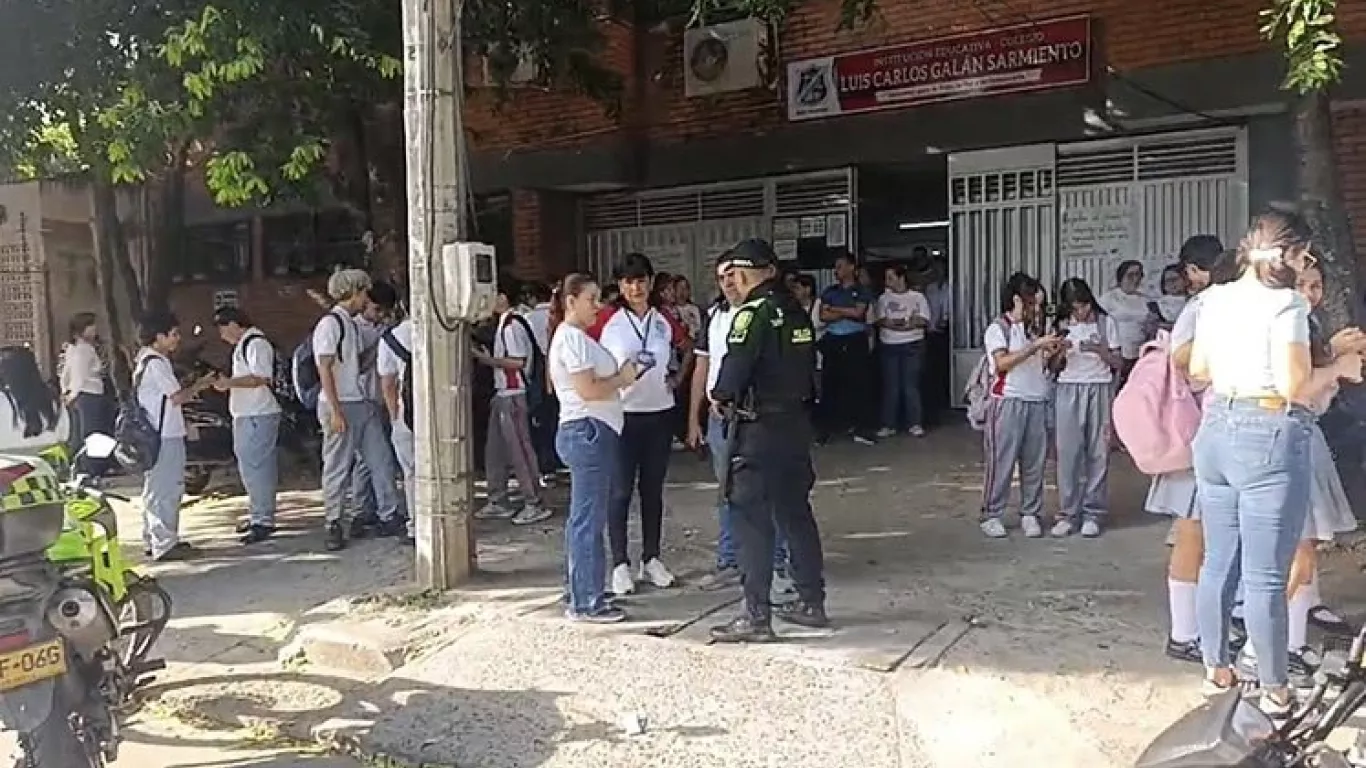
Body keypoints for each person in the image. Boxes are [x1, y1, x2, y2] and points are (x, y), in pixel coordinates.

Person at [1188, 209, 1324, 715]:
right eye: (1305, 257)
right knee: (1267, 574)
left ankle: (1215, 670)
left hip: (1216, 429)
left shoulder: (1214, 298)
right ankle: (1274, 689)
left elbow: (1199, 368)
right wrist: (1336, 367)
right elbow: (1294, 386)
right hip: (1268, 431)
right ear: (1287, 255)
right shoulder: (1286, 303)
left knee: (1217, 560)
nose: (1306, 266)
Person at [707, 238, 828, 643]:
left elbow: (731, 376)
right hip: (796, 426)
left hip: (758, 430)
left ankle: (756, 616)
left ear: (744, 275)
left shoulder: (751, 314)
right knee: (796, 513)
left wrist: (720, 396)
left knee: (751, 519)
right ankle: (812, 602)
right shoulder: (796, 312)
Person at [687, 256, 793, 600]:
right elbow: (702, 367)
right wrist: (694, 418)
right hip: (720, 417)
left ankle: (776, 564)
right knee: (727, 492)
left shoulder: (763, 314)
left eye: (734, 275)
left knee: (766, 492)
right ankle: (730, 560)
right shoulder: (715, 316)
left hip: (754, 417)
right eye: (722, 278)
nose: (729, 283)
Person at [590, 253, 689, 595]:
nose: (636, 288)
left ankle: (651, 558)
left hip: (659, 412)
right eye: (628, 282)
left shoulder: (663, 319)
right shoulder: (608, 319)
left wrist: (677, 378)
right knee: (619, 491)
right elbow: (579, 348)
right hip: (622, 415)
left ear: (650, 282)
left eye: (641, 280)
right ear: (620, 286)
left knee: (652, 490)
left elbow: (689, 345)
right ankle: (620, 563)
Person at [549, 273, 643, 623]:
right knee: (588, 519)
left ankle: (582, 588)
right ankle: (586, 601)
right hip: (588, 429)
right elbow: (588, 389)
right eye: (591, 299)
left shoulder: (576, 338)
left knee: (585, 517)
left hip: (591, 429)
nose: (598, 306)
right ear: (571, 301)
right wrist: (622, 378)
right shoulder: (572, 338)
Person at [314, 269, 405, 551]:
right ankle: (333, 521)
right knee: (338, 466)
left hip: (359, 400)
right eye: (364, 292)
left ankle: (389, 513)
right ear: (354, 292)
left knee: (381, 459)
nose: (367, 297)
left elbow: (356, 364)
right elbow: (325, 367)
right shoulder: (330, 324)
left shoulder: (349, 324)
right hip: (341, 402)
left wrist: (380, 345)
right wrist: (335, 410)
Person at [979, 272, 1062, 539]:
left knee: (1035, 462)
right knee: (1002, 461)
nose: (1037, 310)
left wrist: (1056, 352)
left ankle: (1030, 512)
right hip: (1008, 401)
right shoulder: (998, 328)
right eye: (1032, 303)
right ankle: (992, 513)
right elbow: (1002, 363)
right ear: (1017, 300)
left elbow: (1048, 368)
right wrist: (1034, 346)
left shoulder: (1035, 330)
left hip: (1038, 400)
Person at [134, 312, 217, 561]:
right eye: (173, 334)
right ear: (158, 336)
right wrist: (201, 384)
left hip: (154, 433)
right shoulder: (157, 363)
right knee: (168, 489)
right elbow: (177, 397)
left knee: (155, 489)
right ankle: (165, 543)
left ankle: (153, 538)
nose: (177, 339)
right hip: (165, 434)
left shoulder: (143, 360)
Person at [1049, 277, 1122, 538]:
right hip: (1068, 388)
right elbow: (1051, 367)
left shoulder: (1106, 323)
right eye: (1075, 308)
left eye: (1084, 306)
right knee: (1067, 453)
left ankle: (1093, 512)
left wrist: (1099, 350)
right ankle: (1067, 513)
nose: (1080, 312)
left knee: (1098, 452)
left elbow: (1118, 363)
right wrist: (1060, 351)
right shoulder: (1059, 325)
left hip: (1099, 388)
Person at [473, 286, 551, 525]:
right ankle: (498, 498)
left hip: (514, 393)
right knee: (495, 450)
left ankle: (533, 500)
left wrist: (487, 359)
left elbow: (518, 362)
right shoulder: (504, 324)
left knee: (520, 450)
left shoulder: (512, 326)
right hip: (502, 392)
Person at [213, 308, 282, 545]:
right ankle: (257, 513)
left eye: (223, 328)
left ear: (234, 324)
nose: (222, 335)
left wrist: (229, 383)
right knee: (250, 468)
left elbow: (260, 377)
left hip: (258, 413)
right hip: (247, 413)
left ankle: (263, 519)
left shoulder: (256, 343)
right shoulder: (244, 345)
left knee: (258, 467)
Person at [818, 253, 876, 445]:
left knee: (858, 384)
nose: (837, 271)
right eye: (836, 267)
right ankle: (826, 429)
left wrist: (836, 310)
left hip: (855, 340)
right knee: (830, 385)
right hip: (833, 340)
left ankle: (861, 428)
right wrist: (846, 311)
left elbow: (859, 313)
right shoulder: (830, 291)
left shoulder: (861, 290)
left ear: (852, 267)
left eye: (841, 266)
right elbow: (823, 316)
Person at [874, 263, 931, 438]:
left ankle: (914, 423)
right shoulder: (883, 298)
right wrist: (906, 322)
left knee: (910, 386)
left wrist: (899, 323)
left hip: (913, 344)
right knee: (891, 386)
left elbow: (924, 320)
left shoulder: (917, 297)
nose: (887, 281)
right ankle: (889, 424)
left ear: (901, 278)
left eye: (890, 277)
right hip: (889, 344)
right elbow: (881, 320)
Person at [378, 302, 416, 547]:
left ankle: (417, 525)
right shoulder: (446, 332)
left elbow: (388, 383)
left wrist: (394, 417)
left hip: (407, 413)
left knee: (412, 472)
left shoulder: (391, 339)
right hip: (443, 410)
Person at [59, 313, 111, 475]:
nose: (95, 330)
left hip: (78, 395)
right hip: (89, 393)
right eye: (91, 327)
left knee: (78, 433)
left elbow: (66, 373)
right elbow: (79, 375)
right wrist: (73, 393)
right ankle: (91, 468)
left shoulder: (72, 348)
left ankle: (76, 466)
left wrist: (66, 391)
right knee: (92, 434)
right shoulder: (85, 350)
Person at [0, 346, 70, 455]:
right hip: (49, 460)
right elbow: (64, 435)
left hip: (9, 462)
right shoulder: (54, 401)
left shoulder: (4, 401)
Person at [1099, 260, 1152, 382]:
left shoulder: (1146, 300)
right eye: (1130, 275)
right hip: (1118, 352)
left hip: (1139, 352)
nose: (1135, 279)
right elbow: (1100, 322)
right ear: (1121, 277)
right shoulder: (1109, 298)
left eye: (1138, 275)